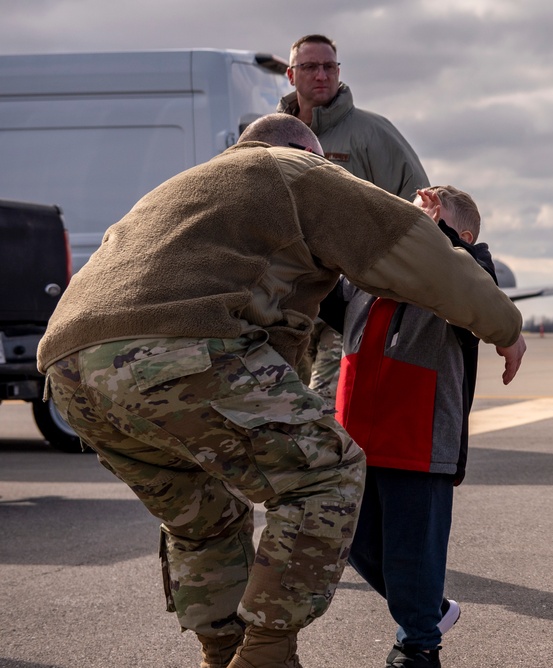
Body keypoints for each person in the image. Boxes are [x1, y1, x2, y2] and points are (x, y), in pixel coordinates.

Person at [37, 113, 526, 668]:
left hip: (71, 370)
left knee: (204, 516)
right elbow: (418, 250)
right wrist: (505, 328)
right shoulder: (295, 170)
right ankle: (265, 657)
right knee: (327, 474)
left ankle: (222, 653)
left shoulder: (181, 190)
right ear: (306, 153)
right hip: (176, 351)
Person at [322, 185, 492, 668]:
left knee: (411, 552)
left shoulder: (463, 282)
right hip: (356, 439)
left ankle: (418, 643)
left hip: (419, 441)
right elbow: (321, 289)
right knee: (354, 543)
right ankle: (430, 610)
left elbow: (478, 276)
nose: (408, 227)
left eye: (424, 220)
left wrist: (438, 234)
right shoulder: (369, 283)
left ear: (458, 236)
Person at [279, 33, 430, 407]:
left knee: (328, 406)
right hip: (285, 300)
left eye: (329, 67)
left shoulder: (373, 134)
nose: (321, 75)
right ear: (290, 75)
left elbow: (419, 205)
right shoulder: (273, 137)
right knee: (282, 406)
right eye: (310, 67)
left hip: (349, 298)